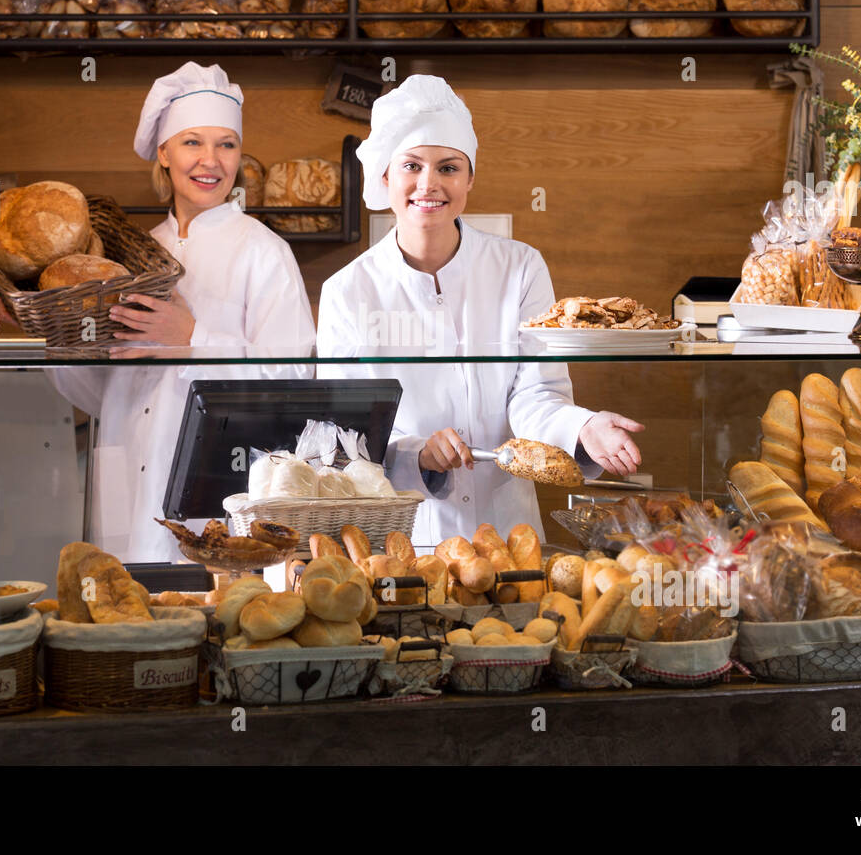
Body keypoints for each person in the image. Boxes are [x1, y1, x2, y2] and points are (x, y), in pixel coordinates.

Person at [316, 74, 644, 548]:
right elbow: (343, 439)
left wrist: (584, 426)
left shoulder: (520, 267)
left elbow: (537, 394)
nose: (429, 184)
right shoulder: (347, 291)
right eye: (411, 165)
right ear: (384, 177)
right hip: (403, 541)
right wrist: (415, 455)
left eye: (448, 167)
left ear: (470, 178)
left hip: (508, 533)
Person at [50, 62, 315, 562]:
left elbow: (293, 383)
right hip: (129, 481)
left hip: (219, 488)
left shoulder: (264, 253)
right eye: (193, 142)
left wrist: (194, 336)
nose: (210, 160)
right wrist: (56, 339)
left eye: (226, 144)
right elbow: (101, 395)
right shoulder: (128, 258)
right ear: (164, 153)